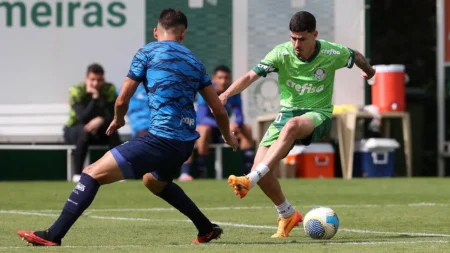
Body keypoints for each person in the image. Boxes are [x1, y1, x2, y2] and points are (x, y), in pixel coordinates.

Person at [17, 8, 238, 246]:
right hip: (184, 144)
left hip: (161, 139)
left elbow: (122, 99)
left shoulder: (147, 52)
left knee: (92, 173)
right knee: (154, 181)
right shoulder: (195, 62)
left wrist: (119, 118)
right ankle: (205, 228)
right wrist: (228, 137)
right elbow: (218, 109)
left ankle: (53, 235)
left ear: (156, 31)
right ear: (183, 34)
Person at [220, 11, 376, 238]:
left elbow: (358, 56)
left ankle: (251, 180)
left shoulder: (332, 52)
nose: (296, 44)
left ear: (315, 35)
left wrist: (369, 72)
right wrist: (224, 95)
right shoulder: (281, 53)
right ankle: (287, 213)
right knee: (261, 167)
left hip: (318, 115)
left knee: (290, 129)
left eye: (302, 39)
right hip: (287, 115)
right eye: (293, 38)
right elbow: (249, 77)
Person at [179, 65, 255, 181]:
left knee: (246, 129)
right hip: (208, 132)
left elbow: (240, 116)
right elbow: (203, 118)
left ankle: (250, 174)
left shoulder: (233, 91)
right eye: (220, 78)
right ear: (214, 78)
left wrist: (235, 124)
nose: (223, 81)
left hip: (224, 132)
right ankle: (200, 172)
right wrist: (226, 125)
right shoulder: (205, 91)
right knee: (203, 129)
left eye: (226, 78)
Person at [63, 63, 122, 183]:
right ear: (86, 79)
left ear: (103, 79)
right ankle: (77, 174)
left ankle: (119, 171)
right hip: (74, 131)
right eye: (92, 80)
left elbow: (112, 115)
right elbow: (82, 118)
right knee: (84, 130)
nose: (95, 83)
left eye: (99, 80)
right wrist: (95, 97)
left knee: (111, 130)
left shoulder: (109, 89)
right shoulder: (76, 90)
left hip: (98, 131)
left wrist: (100, 120)